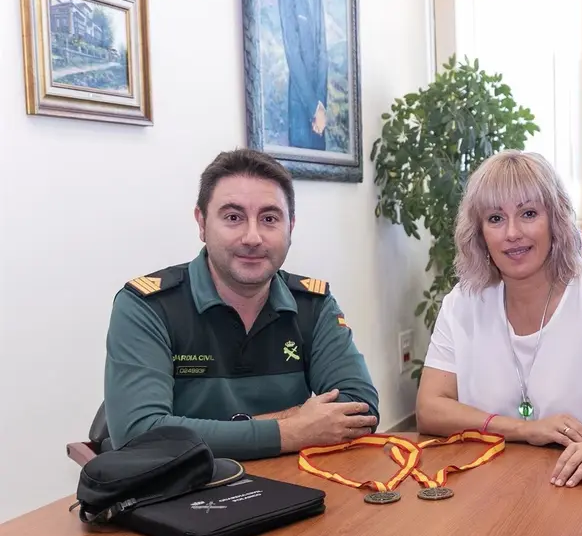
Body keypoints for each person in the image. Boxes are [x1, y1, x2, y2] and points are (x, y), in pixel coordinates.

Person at [103, 148, 379, 460]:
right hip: (185, 493)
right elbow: (139, 434)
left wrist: (235, 431)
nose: (252, 237)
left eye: (269, 219)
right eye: (233, 217)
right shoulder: (147, 307)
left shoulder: (312, 304)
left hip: (293, 484)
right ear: (201, 223)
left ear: (291, 227)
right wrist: (293, 429)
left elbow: (360, 408)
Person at [416, 150, 582, 488]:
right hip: (492, 488)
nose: (512, 233)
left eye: (528, 213)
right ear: (479, 233)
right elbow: (430, 410)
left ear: (555, 220)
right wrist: (524, 429)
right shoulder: (462, 303)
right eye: (495, 218)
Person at [278, 0, 328, 150]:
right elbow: (293, 54)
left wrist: (320, 106)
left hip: (319, 112)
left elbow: (323, 51)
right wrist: (314, 107)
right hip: (301, 105)